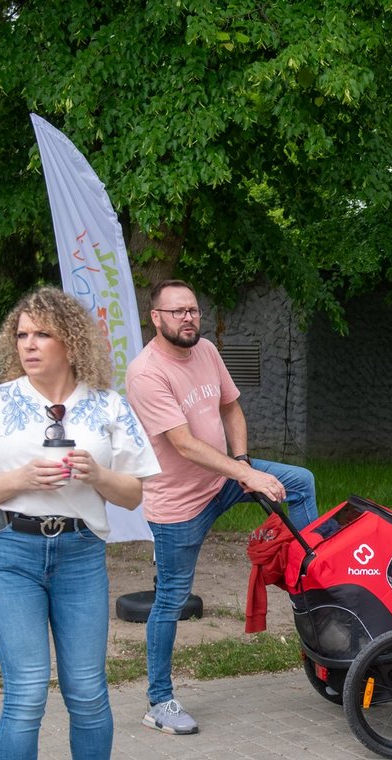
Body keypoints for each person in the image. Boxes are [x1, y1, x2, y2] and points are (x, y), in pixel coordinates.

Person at [0, 287, 160, 760]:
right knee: (27, 694)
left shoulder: (109, 406)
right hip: (10, 550)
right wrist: (20, 478)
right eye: (22, 334)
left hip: (80, 554)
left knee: (89, 695)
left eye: (42, 334)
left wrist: (98, 474)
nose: (28, 344)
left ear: (70, 342)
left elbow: (133, 494)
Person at [125, 279, 319, 735]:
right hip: (178, 505)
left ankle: (314, 577)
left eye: (192, 309)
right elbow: (184, 445)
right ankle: (159, 701)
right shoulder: (146, 372)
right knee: (171, 599)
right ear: (156, 318)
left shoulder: (207, 351)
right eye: (177, 312)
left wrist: (243, 462)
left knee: (299, 483)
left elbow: (231, 409)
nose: (188, 317)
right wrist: (246, 477)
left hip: (224, 479)